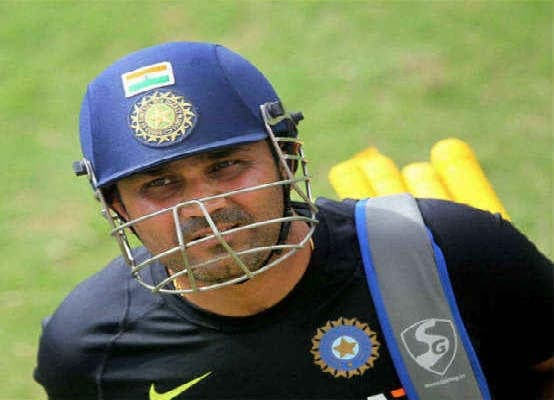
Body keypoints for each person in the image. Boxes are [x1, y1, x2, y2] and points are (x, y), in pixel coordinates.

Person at [34, 41, 553, 400]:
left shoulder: (451, 250)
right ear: (117, 207)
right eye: (160, 184)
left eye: (226, 166)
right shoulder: (90, 350)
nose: (203, 206)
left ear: (288, 159)